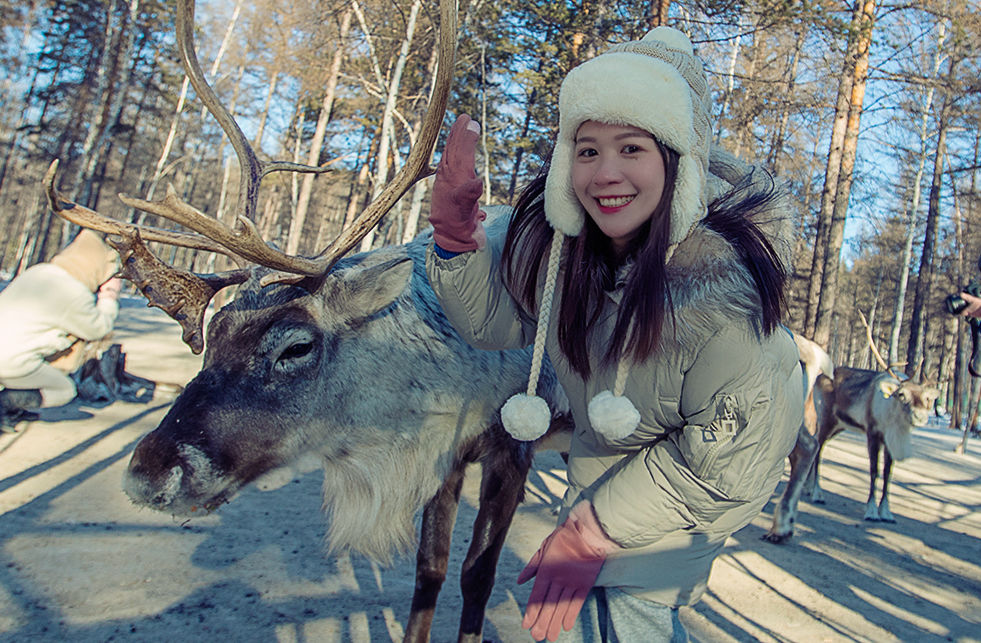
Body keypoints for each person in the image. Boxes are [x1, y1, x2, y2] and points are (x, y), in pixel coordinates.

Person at [425, 26, 804, 643]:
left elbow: (727, 466)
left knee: (627, 619)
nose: (605, 174)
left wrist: (589, 531)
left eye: (632, 149)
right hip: (601, 488)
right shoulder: (569, 256)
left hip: (683, 505)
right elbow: (495, 322)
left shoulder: (721, 292)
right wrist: (455, 246)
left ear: (675, 162)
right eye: (588, 149)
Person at [0, 229, 121, 431]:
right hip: (11, 362)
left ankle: (11, 409)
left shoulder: (39, 271)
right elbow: (99, 328)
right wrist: (109, 295)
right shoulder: (74, 293)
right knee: (64, 390)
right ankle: (7, 404)